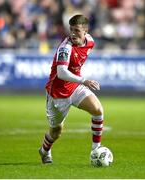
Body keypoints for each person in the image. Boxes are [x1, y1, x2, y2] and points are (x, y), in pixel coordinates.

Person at [39, 14, 104, 164]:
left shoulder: (90, 42)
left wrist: (80, 81)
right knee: (56, 132)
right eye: (71, 30)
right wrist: (84, 80)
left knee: (98, 110)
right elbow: (61, 72)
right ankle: (44, 151)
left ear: (86, 31)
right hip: (57, 93)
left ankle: (96, 150)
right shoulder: (65, 48)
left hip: (75, 87)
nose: (73, 34)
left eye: (77, 30)